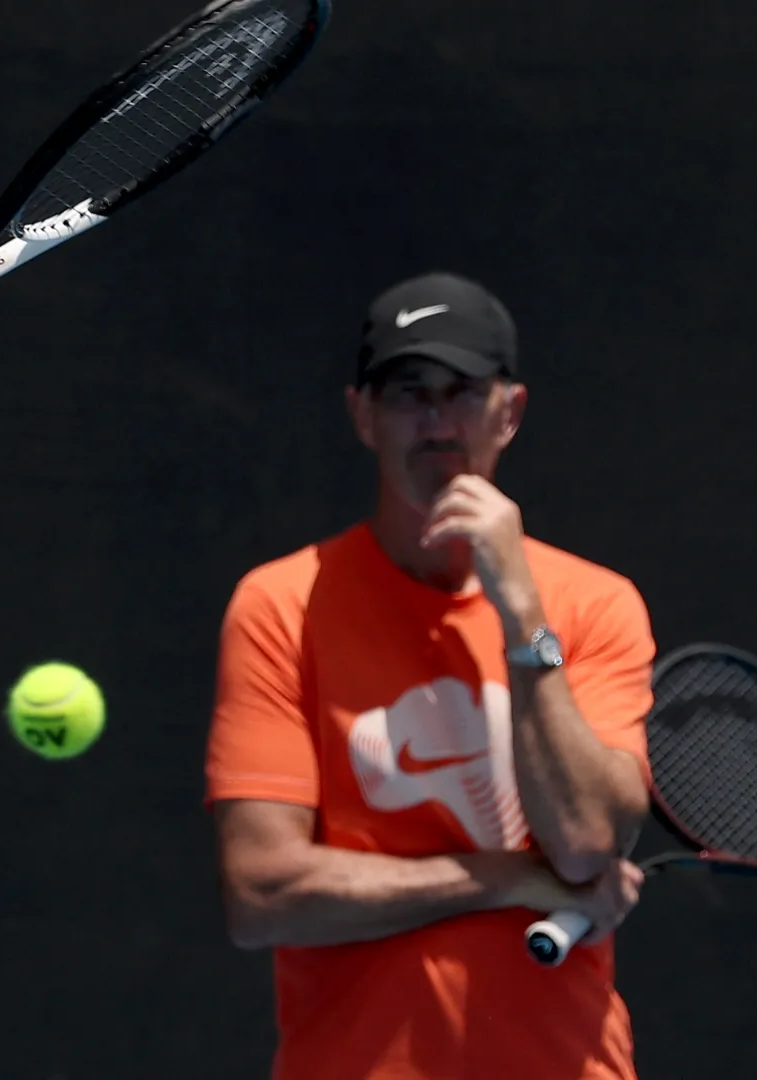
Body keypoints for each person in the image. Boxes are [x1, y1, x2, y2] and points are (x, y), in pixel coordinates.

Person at [203, 272, 657, 1079]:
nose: (438, 423)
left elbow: (588, 843)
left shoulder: (595, 604)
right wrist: (508, 878)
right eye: (409, 393)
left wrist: (522, 614)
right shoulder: (280, 607)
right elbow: (263, 893)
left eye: (464, 393)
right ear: (363, 416)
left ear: (510, 412)